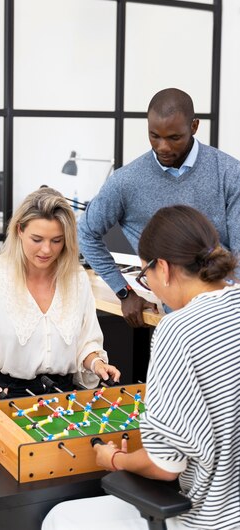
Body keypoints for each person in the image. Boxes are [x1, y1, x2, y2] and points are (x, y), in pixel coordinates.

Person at [43, 205, 240, 530]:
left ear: (162, 267)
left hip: (211, 521)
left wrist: (114, 459)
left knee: (59, 518)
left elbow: (164, 465)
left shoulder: (178, 329)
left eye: (143, 274)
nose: (147, 284)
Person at [78, 87, 240, 328]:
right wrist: (124, 292)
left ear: (194, 127)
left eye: (174, 137)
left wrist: (227, 307)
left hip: (228, 307)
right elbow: (86, 233)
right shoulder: (126, 182)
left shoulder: (229, 172)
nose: (163, 146)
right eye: (154, 135)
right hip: (178, 316)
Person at [0, 187, 120, 402]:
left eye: (56, 240)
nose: (46, 250)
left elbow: (85, 343)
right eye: (37, 239)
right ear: (20, 230)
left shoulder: (76, 278)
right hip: (6, 395)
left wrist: (97, 364)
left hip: (64, 396)